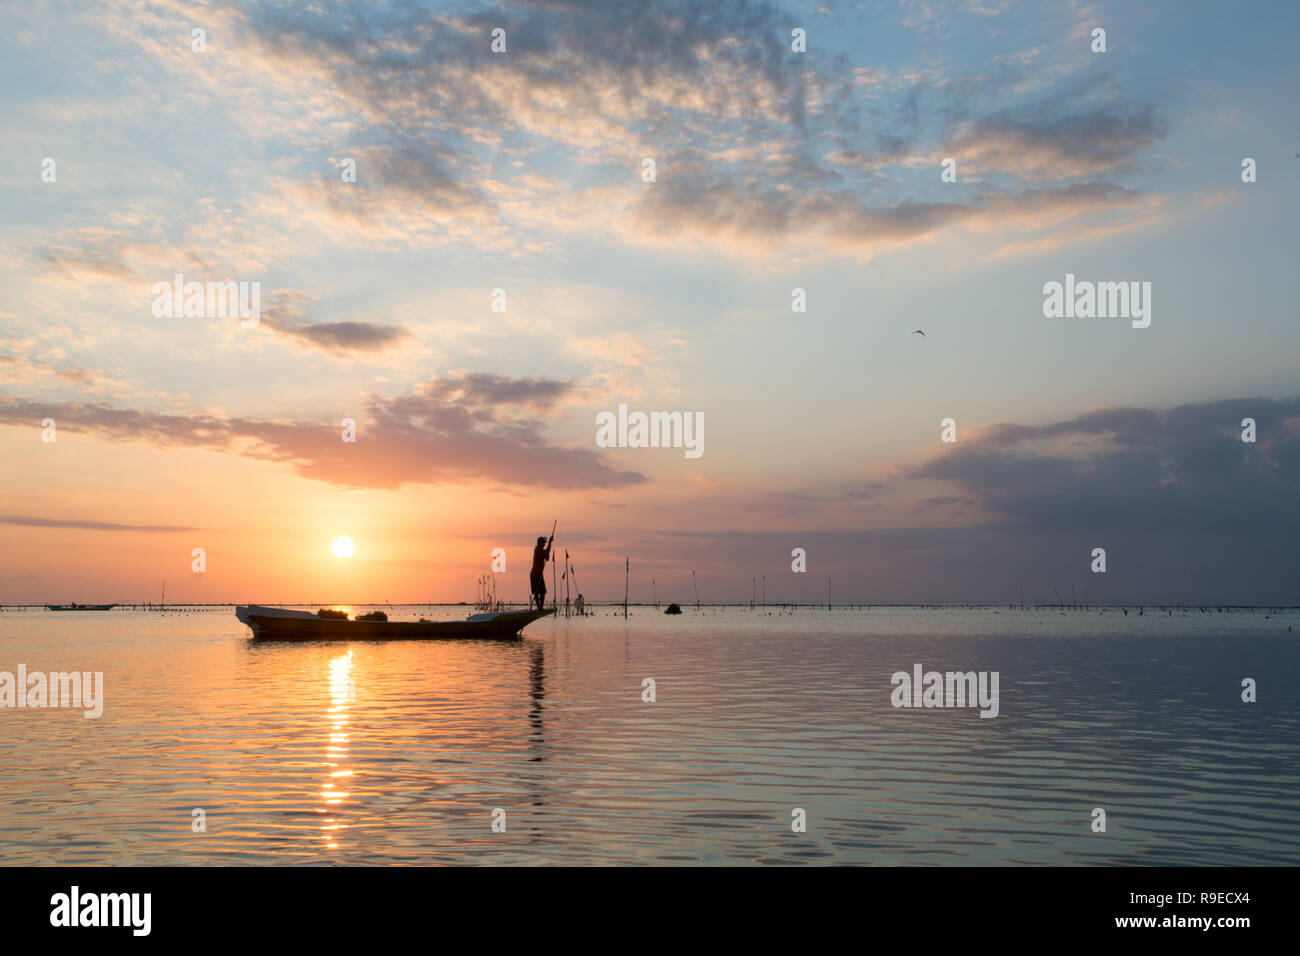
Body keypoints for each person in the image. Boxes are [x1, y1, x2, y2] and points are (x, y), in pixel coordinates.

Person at [530, 533, 552, 610]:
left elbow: (547, 555)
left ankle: (540, 607)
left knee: (541, 592)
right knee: (540, 592)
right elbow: (547, 555)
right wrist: (550, 543)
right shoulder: (538, 550)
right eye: (542, 542)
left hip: (536, 574)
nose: (543, 544)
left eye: (544, 543)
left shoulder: (539, 550)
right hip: (536, 574)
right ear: (539, 543)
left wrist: (549, 543)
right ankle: (540, 607)